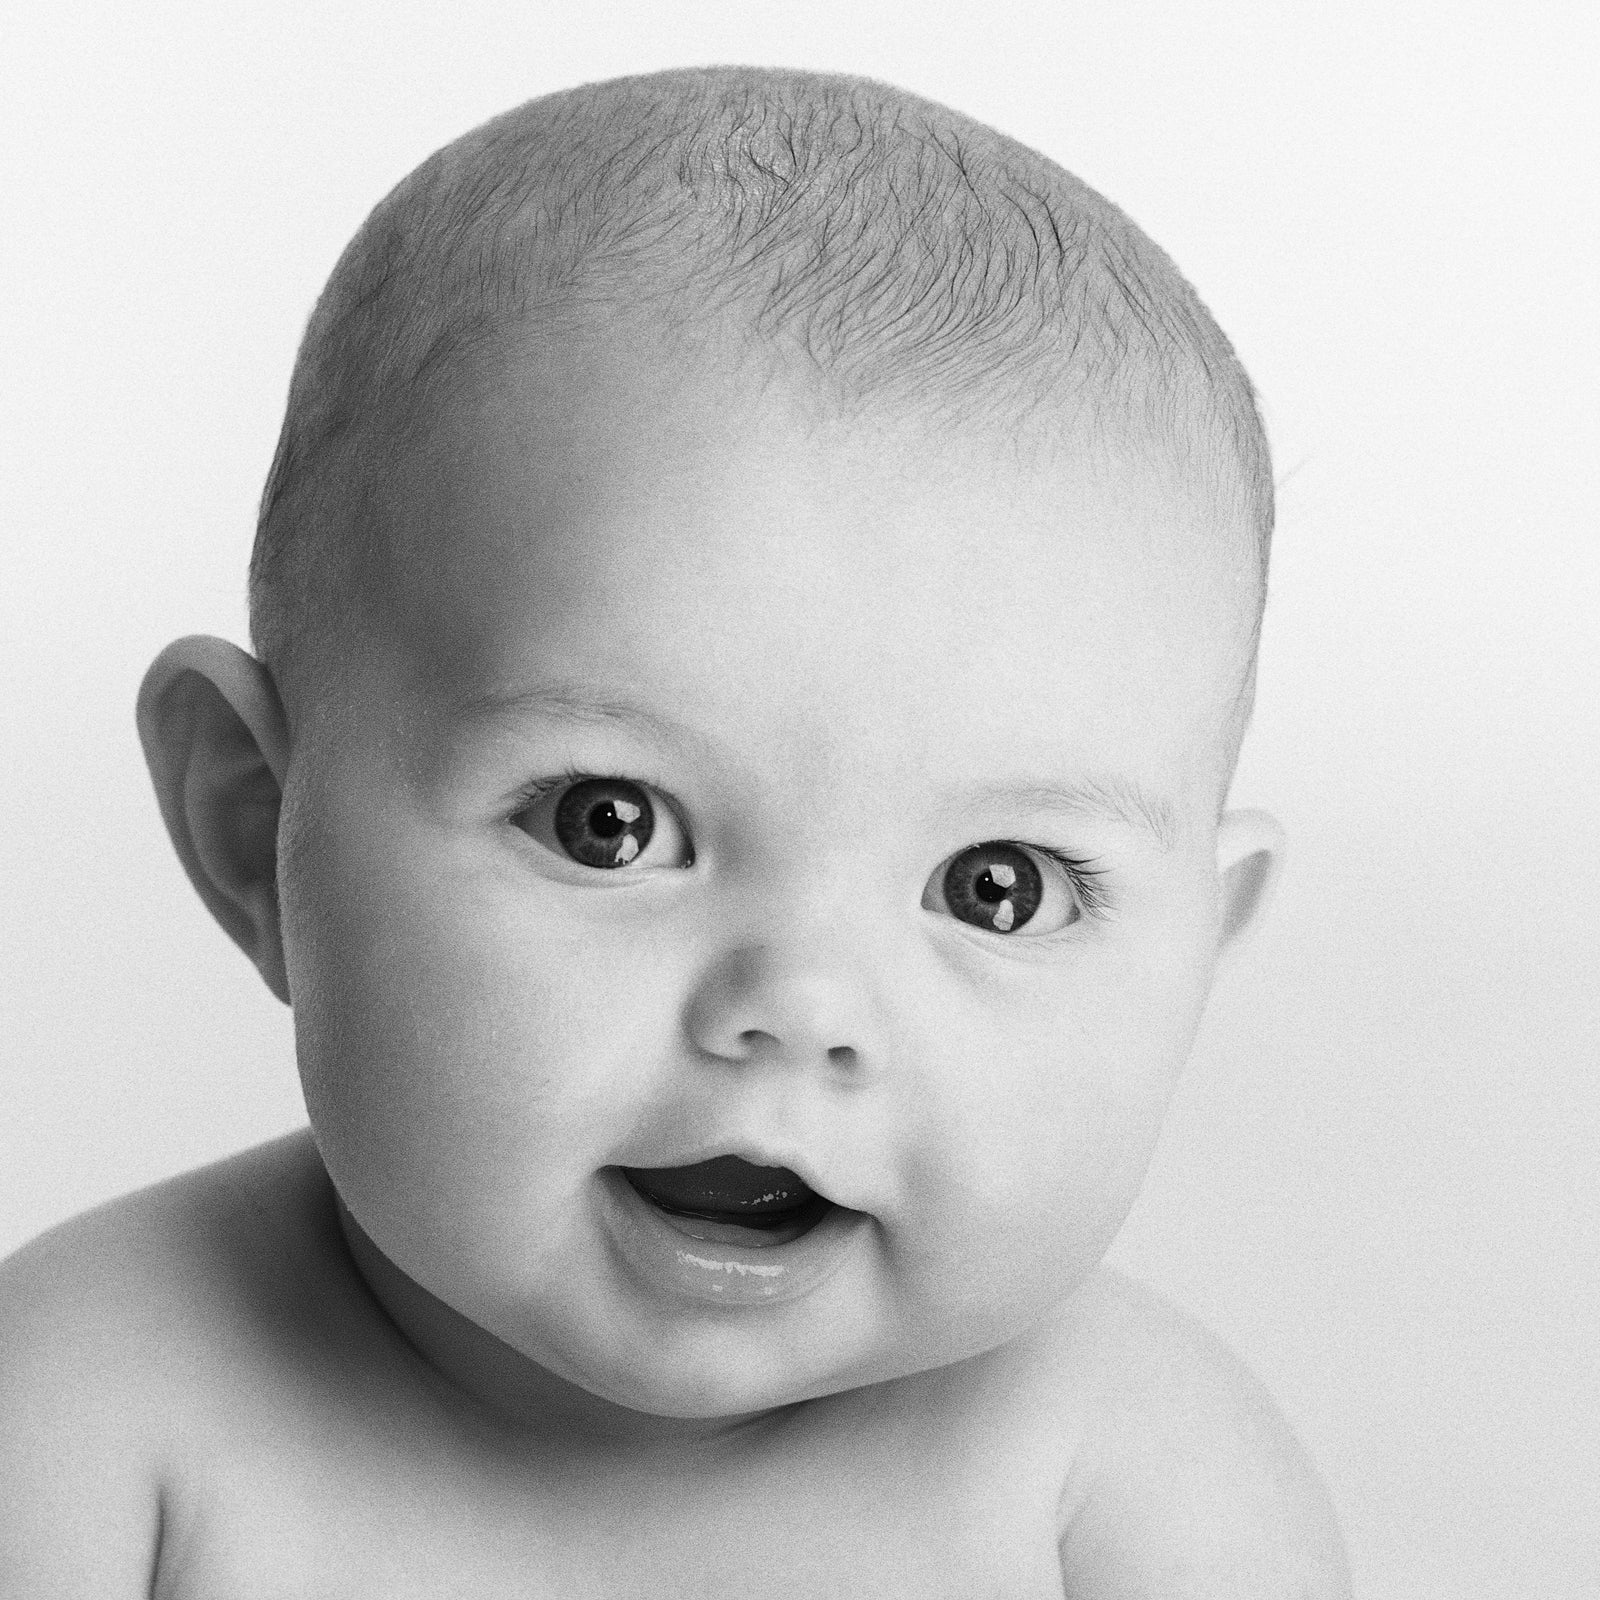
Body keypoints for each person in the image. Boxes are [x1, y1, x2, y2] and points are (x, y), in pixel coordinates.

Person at [0, 66, 1349, 1596]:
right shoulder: (86, 1425)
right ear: (258, 828)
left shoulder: (1133, 1493)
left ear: (1197, 953)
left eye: (999, 887)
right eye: (610, 823)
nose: (798, 1010)